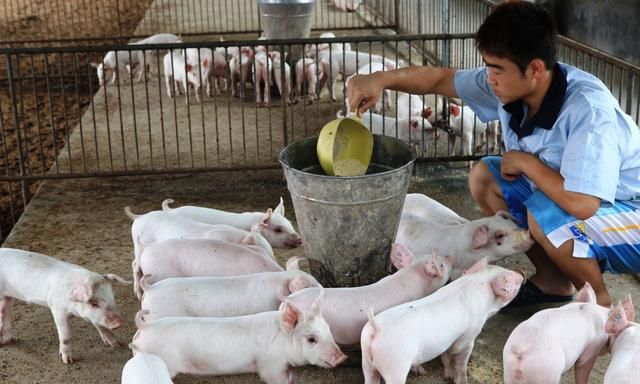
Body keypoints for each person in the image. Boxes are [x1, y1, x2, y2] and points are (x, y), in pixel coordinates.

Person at [347, 0, 640, 307]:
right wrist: (380, 79)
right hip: (584, 202)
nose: (489, 78)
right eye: (488, 67)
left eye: (497, 69)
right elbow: (439, 79)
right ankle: (554, 282)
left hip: (628, 210)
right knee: (486, 178)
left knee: (543, 214)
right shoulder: (512, 85)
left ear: (535, 69)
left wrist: (527, 163)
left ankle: (600, 305)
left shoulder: (588, 111)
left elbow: (583, 203)